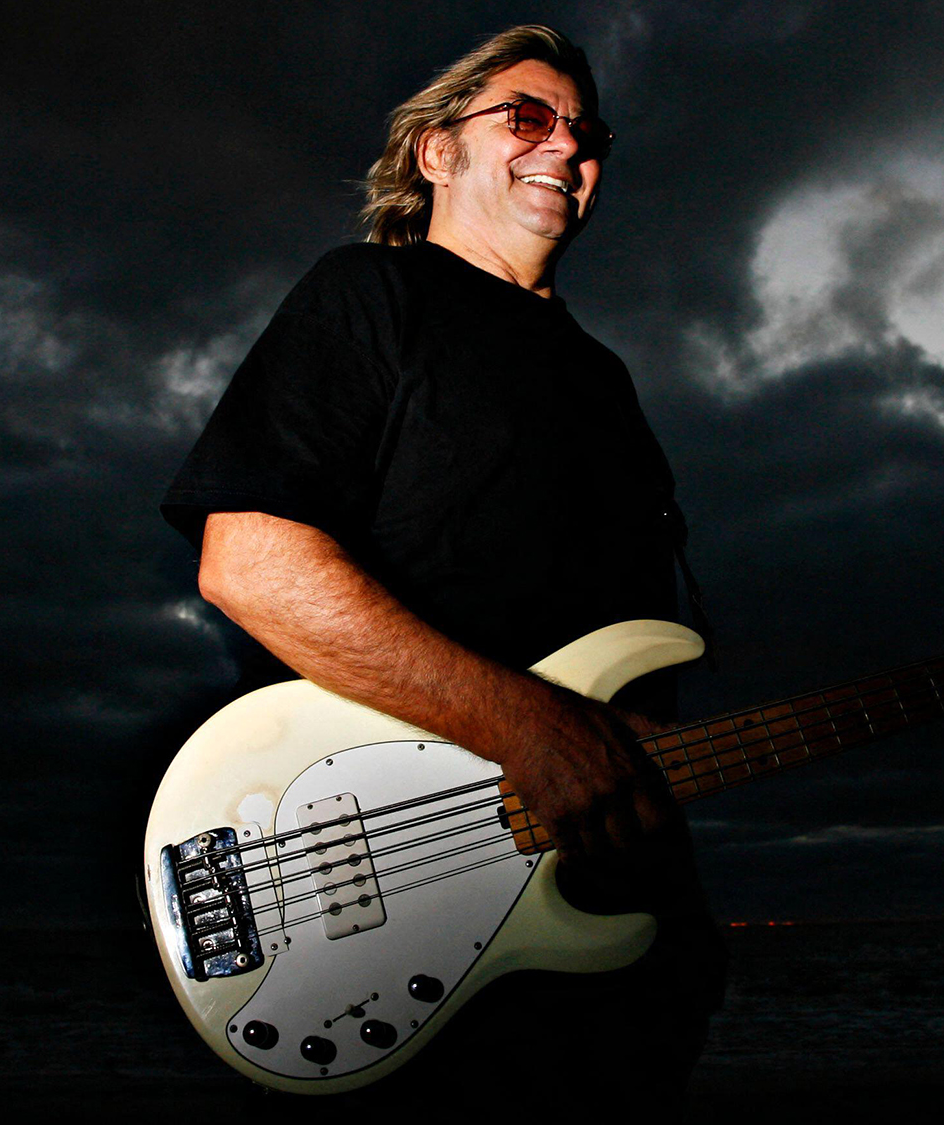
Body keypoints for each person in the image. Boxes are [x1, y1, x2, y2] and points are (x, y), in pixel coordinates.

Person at [160, 24, 722, 1104]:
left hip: (600, 915)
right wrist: (534, 730)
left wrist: (646, 759)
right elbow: (252, 563)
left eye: (586, 131)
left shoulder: (600, 375)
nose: (567, 145)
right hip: (399, 900)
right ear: (437, 152)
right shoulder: (372, 294)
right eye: (526, 116)